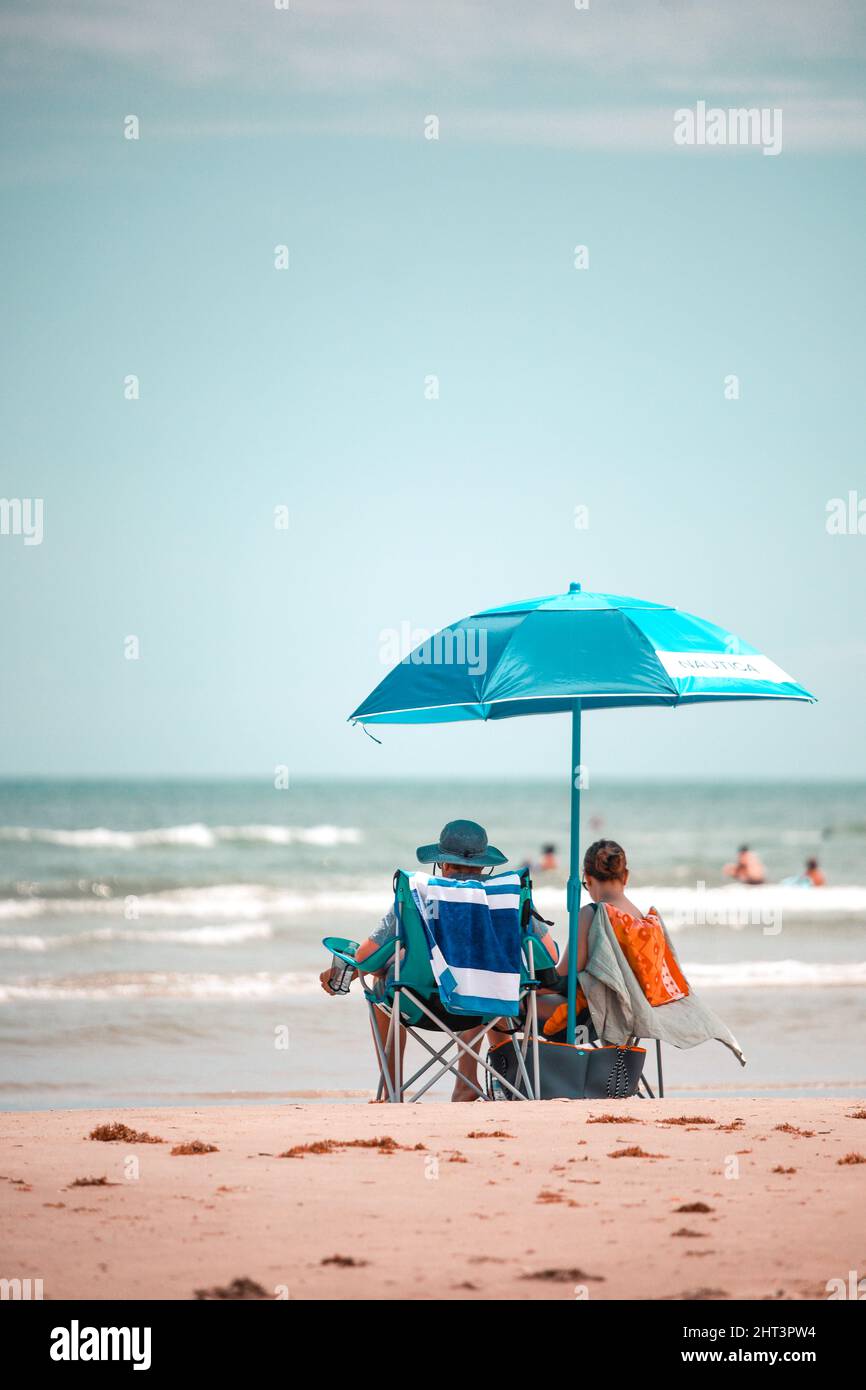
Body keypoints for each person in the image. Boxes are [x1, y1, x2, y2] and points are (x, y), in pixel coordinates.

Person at [319, 819, 556, 1102]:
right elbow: (549, 956)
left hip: (422, 1004)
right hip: (487, 1008)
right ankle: (470, 1081)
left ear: (442, 864)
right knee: (482, 978)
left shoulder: (419, 893)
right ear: (483, 865)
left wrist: (386, 965)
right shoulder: (508, 895)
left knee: (386, 983)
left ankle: (393, 1090)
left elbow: (365, 959)